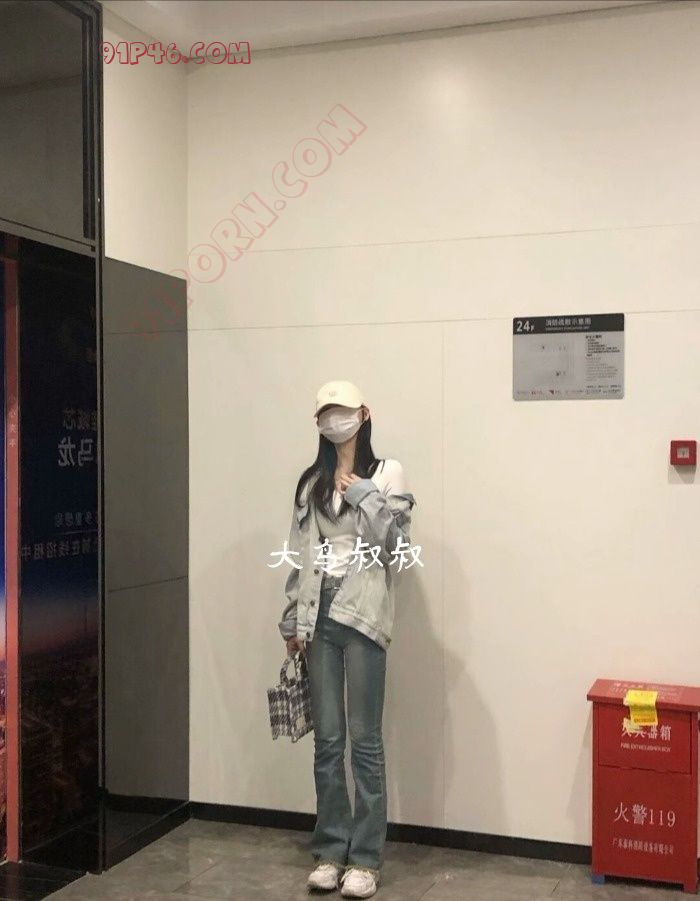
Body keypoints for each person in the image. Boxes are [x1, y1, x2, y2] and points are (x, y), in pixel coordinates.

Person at [278, 380, 417, 898]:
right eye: (326, 413)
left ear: (363, 414)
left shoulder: (386, 473)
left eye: (343, 410)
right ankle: (331, 850)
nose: (335, 419)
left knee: (365, 740)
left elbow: (396, 548)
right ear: (318, 423)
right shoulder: (311, 483)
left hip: (363, 613)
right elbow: (300, 554)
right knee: (328, 741)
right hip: (318, 613)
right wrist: (292, 621)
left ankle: (366, 859)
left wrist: (362, 493)